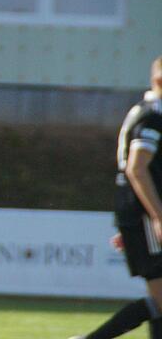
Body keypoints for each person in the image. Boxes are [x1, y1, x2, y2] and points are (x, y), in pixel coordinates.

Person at [72, 56, 162, 339]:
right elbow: (136, 167)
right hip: (146, 215)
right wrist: (156, 216)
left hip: (139, 215)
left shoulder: (147, 112)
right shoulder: (153, 115)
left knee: (160, 300)